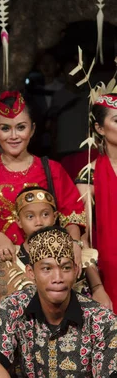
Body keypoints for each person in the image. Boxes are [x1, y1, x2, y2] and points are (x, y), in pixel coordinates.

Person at [0, 90, 86, 337]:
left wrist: (74, 242)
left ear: (32, 129)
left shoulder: (52, 169)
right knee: (4, 342)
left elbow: (73, 216)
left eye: (20, 127)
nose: (14, 135)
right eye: (5, 128)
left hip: (48, 271)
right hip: (1, 270)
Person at [0, 226, 117, 377]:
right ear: (31, 272)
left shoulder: (102, 320)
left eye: (66, 268)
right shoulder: (15, 306)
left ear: (76, 271)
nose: (58, 278)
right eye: (46, 269)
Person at [0, 186, 111, 312]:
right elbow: (1, 299)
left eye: (45, 214)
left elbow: (86, 266)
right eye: (30, 217)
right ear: (19, 221)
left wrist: (98, 289)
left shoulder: (68, 249)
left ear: (55, 217)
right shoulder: (10, 255)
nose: (39, 222)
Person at [76, 93, 117, 307]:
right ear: (100, 129)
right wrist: (97, 288)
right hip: (110, 277)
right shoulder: (89, 176)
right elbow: (83, 241)